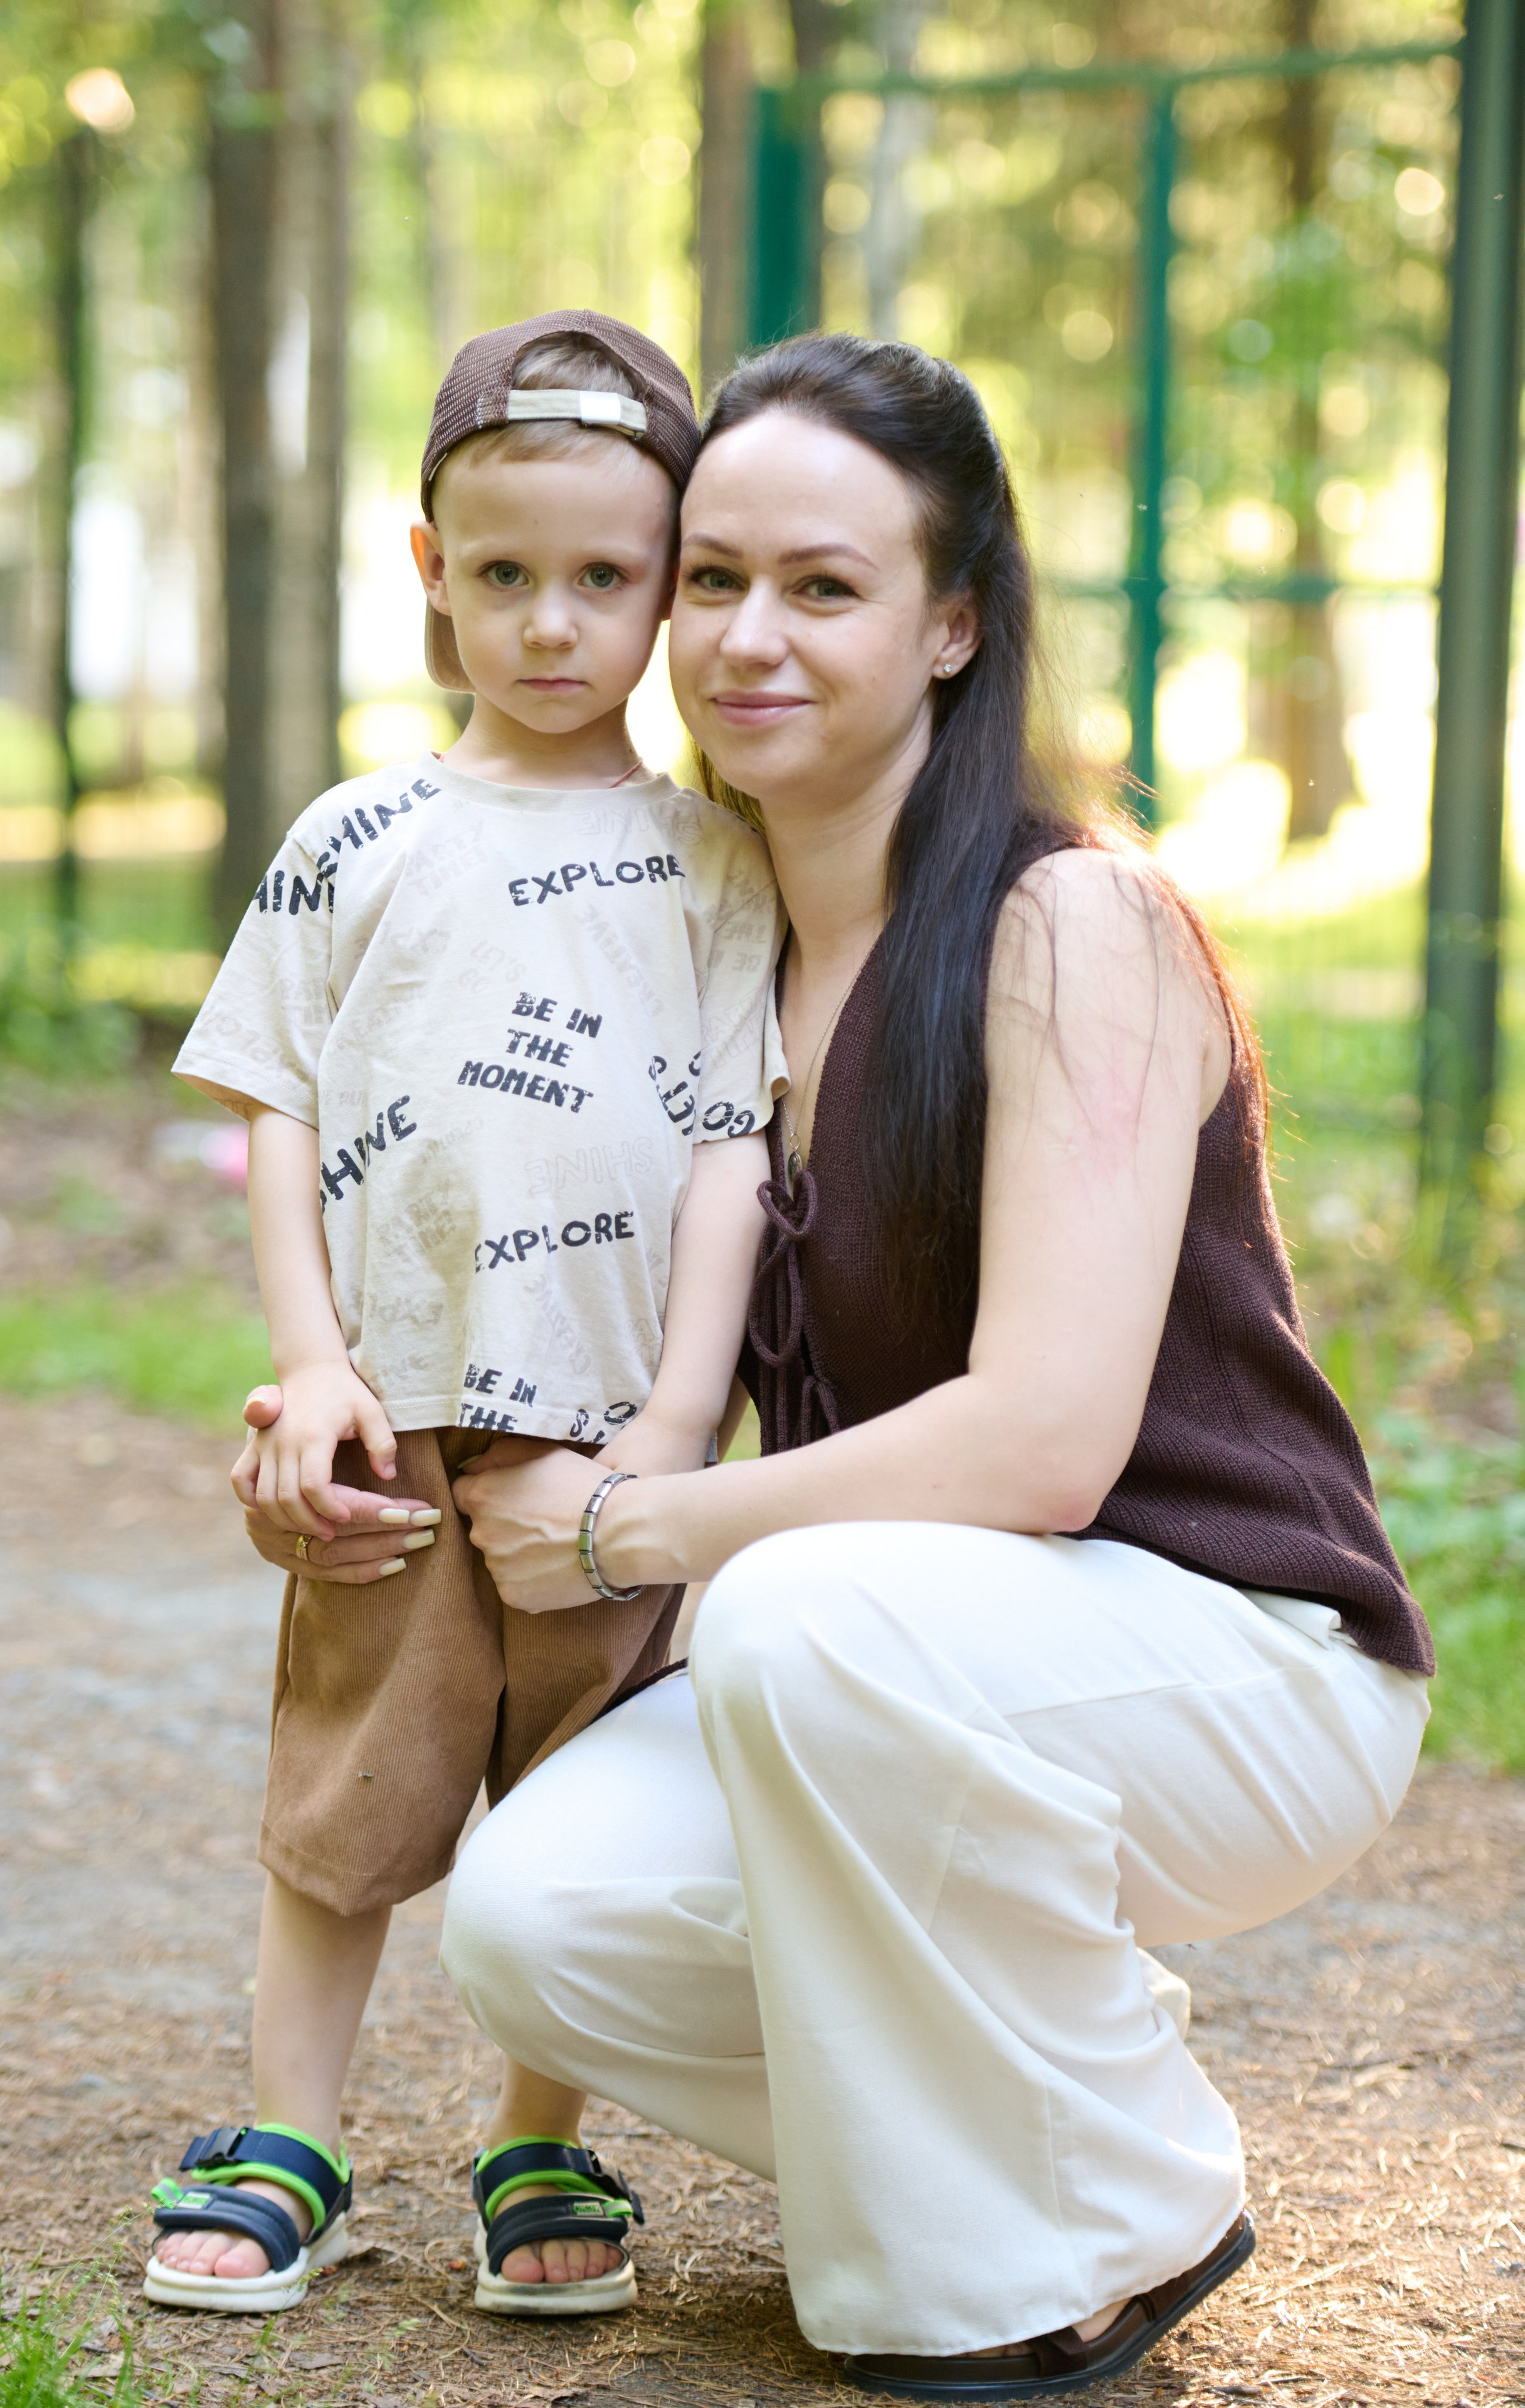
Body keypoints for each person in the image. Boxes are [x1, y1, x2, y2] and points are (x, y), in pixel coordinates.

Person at [426, 334, 1434, 2398]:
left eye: (826, 587)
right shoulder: (703, 953)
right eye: (713, 580)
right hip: (904, 1662)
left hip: (1227, 1657)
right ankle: (1101, 2140)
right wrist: (342, 1418)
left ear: (953, 624)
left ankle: (995, 2288)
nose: (747, 639)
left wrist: (632, 1532)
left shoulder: (1076, 925)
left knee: (788, 1609)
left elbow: (1047, 1442)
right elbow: (528, 1290)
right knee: (534, 1917)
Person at [145, 310, 781, 2319]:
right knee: (348, 1787)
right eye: (503, 574)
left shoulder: (718, 860)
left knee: (575, 1792)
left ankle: (538, 2137)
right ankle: (293, 2136)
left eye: (606, 577)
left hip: (608, 1439)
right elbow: (280, 1108)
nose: (553, 623)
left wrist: (670, 1429)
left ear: (672, 588)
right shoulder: (355, 840)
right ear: (432, 572)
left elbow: (730, 1154)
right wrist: (314, 1366)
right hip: (395, 1424)